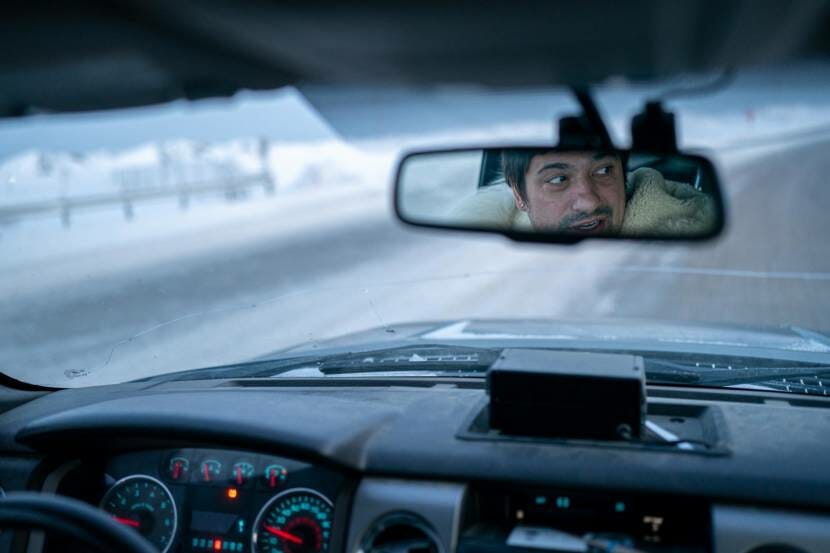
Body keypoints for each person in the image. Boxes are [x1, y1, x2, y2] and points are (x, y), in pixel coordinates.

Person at [449, 149, 716, 237]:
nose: (589, 202)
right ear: (519, 195)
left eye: (603, 171)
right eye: (558, 179)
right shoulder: (492, 271)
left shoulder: (691, 230)